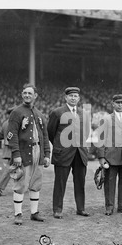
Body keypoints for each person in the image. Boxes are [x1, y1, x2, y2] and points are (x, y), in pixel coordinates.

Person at [7, 83, 51, 225]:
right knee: (20, 183)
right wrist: (16, 154)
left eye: (30, 93)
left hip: (38, 151)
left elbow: (45, 136)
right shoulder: (16, 112)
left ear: (35, 96)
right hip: (24, 151)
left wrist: (47, 155)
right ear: (22, 94)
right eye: (25, 93)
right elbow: (11, 134)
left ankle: (34, 213)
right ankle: (18, 214)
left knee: (36, 182)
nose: (27, 95)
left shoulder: (39, 114)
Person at [47, 87, 90, 219]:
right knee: (60, 182)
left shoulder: (84, 113)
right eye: (70, 95)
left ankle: (81, 208)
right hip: (63, 153)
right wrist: (61, 145)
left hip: (80, 153)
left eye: (75, 96)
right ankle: (57, 209)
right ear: (65, 98)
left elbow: (86, 132)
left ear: (79, 98)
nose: (73, 98)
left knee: (80, 182)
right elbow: (51, 132)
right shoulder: (57, 112)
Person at [0, 106, 15, 196]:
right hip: (14, 149)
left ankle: (22, 187)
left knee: (16, 169)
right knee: (10, 169)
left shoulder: (5, 123)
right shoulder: (14, 123)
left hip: (8, 149)